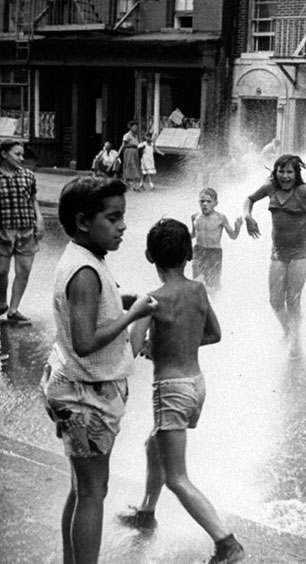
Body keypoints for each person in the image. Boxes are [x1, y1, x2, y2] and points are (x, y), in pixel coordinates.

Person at [40, 176, 157, 564]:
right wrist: (133, 314)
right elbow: (85, 341)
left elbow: (87, 311)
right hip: (85, 396)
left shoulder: (86, 260)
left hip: (75, 389)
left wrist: (117, 300)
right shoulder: (86, 271)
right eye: (114, 217)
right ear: (83, 222)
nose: (123, 225)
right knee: (93, 491)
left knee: (82, 485)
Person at [117, 218, 246, 564]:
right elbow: (214, 334)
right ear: (190, 253)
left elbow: (129, 350)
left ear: (149, 256)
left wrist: (143, 334)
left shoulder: (152, 300)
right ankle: (146, 511)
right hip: (196, 385)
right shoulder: (198, 290)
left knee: (177, 477)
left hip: (171, 389)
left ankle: (226, 543)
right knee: (152, 444)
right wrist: (174, 344)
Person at [244, 154, 306, 357]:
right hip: (278, 251)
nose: (285, 176)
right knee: (275, 301)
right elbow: (249, 199)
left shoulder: (303, 191)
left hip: (300, 251)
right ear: (276, 173)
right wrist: (248, 216)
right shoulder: (270, 188)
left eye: (289, 172)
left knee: (293, 299)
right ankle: (288, 330)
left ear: (296, 174)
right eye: (281, 171)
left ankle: (295, 340)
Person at [0, 139, 45, 325]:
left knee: (24, 269)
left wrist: (39, 219)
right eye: (17, 154)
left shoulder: (28, 175)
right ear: (4, 154)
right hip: (3, 231)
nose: (21, 158)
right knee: (1, 271)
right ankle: (2, 302)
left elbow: (33, 199)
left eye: (22, 154)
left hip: (26, 229)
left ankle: (14, 309)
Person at [191, 188, 242, 292]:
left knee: (212, 284)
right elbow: (193, 234)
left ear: (215, 203)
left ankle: (215, 303)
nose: (205, 204)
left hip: (214, 252)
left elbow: (233, 236)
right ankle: (199, 304)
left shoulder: (220, 218)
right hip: (198, 250)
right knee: (197, 282)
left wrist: (237, 227)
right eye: (202, 201)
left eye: (209, 201)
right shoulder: (195, 217)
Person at [120, 121, 143, 190]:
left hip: (135, 152)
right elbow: (124, 145)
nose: (136, 129)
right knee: (129, 166)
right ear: (131, 127)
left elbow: (137, 144)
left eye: (137, 127)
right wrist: (118, 154)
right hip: (129, 152)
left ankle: (134, 184)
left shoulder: (136, 136)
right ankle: (128, 182)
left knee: (135, 167)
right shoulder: (127, 135)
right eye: (135, 127)